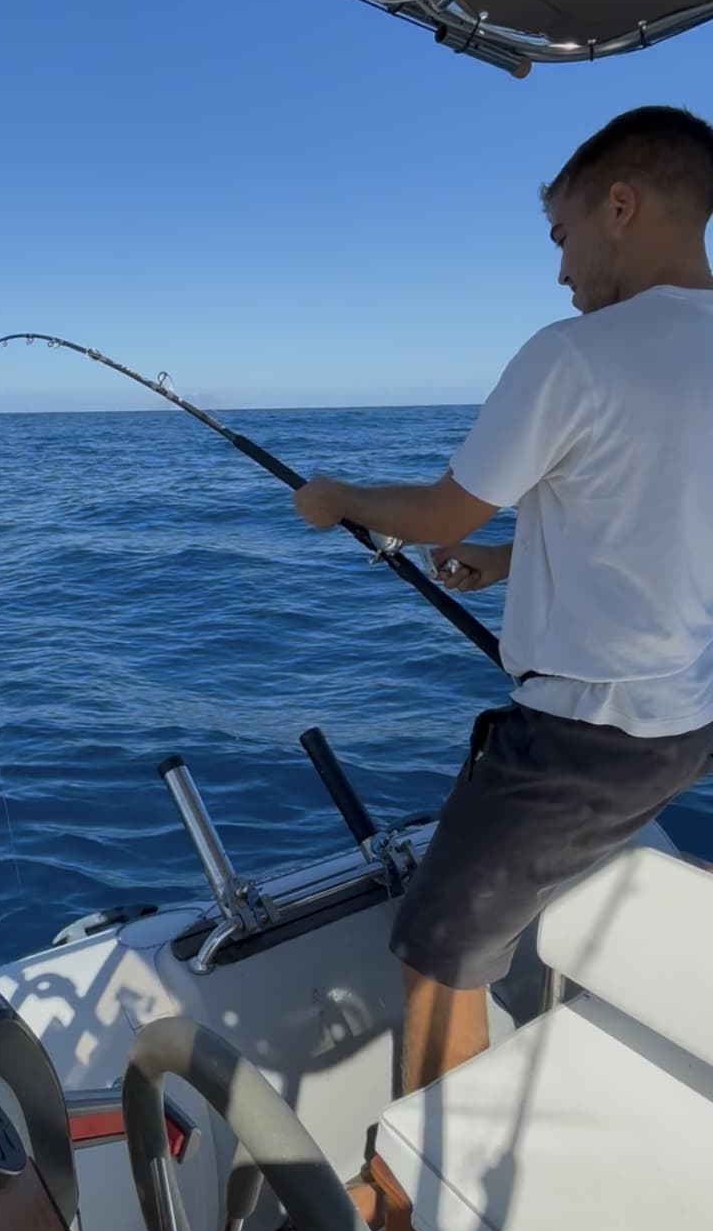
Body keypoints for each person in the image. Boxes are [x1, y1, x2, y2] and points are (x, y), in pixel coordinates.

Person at [293, 105, 713, 1094]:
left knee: (437, 955)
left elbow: (439, 511)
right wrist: (505, 557)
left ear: (620, 206)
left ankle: (420, 1182)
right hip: (686, 721)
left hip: (583, 739)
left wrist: (337, 497)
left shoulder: (574, 353)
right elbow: (657, 519)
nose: (560, 271)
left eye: (561, 236)